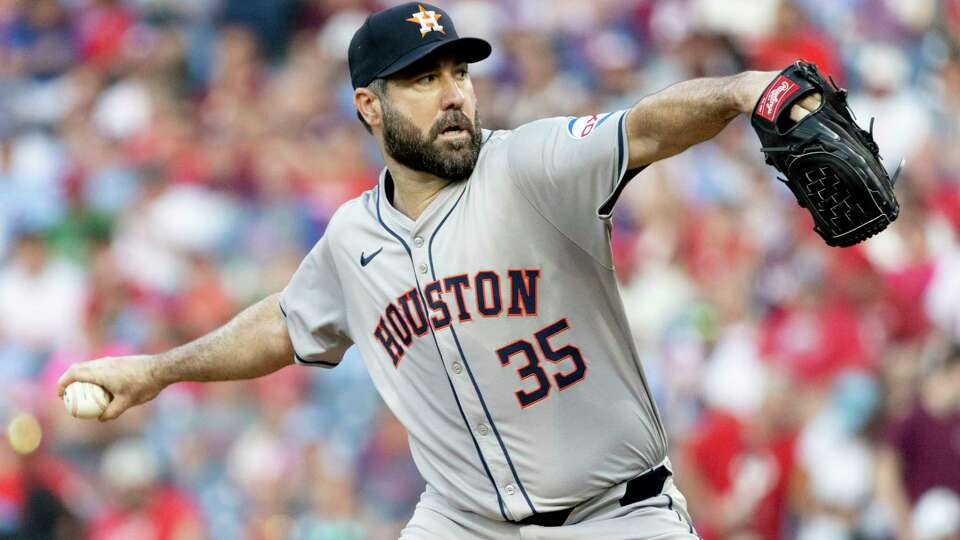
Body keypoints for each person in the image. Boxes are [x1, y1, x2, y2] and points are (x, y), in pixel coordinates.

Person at [58, 3, 820, 538]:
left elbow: (645, 126)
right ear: (369, 106)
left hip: (616, 516)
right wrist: (157, 370)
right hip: (463, 523)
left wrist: (743, 90)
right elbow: (287, 323)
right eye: (424, 80)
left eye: (459, 72)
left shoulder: (526, 164)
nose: (454, 94)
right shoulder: (355, 235)